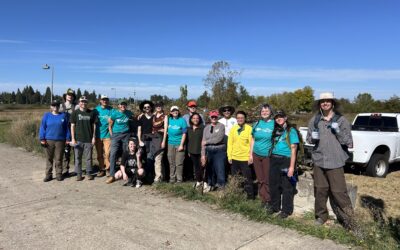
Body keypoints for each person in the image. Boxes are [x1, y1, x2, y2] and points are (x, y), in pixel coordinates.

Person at [306, 92, 354, 228]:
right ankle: (321, 217)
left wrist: (337, 130)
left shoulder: (341, 120)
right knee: (320, 190)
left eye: (328, 101)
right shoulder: (315, 120)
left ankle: (350, 221)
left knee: (339, 192)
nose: (325, 103)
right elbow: (309, 139)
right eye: (322, 101)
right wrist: (312, 138)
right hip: (319, 160)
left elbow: (348, 142)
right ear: (319, 104)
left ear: (332, 103)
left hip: (335, 161)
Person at [269, 110, 299, 219]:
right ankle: (274, 206)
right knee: (274, 184)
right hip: (274, 159)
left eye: (280, 116)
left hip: (286, 160)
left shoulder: (291, 131)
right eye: (276, 117)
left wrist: (291, 167)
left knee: (287, 186)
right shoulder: (276, 130)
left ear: (285, 118)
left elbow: (294, 150)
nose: (278, 118)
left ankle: (286, 210)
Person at [250, 104, 275, 210]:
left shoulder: (274, 124)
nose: (264, 112)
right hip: (256, 154)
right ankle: (263, 199)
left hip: (267, 156)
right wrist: (250, 154)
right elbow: (253, 139)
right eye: (262, 111)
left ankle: (269, 200)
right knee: (260, 179)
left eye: (267, 111)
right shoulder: (256, 124)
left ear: (271, 112)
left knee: (267, 179)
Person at [39, 100, 71, 182]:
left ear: (59, 107)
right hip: (49, 140)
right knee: (49, 158)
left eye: (57, 105)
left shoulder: (63, 116)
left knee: (59, 158)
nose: (55, 107)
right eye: (53, 105)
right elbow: (43, 127)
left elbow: (66, 129)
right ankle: (48, 175)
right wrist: (42, 138)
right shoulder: (47, 115)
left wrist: (68, 138)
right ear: (51, 107)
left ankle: (59, 174)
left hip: (60, 140)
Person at [227, 111, 254, 199]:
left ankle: (250, 196)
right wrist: (229, 156)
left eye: (241, 118)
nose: (240, 119)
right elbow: (230, 143)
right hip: (234, 157)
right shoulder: (233, 129)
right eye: (238, 118)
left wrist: (251, 156)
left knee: (247, 178)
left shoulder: (249, 129)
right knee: (235, 178)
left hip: (245, 158)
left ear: (245, 118)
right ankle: (236, 193)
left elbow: (251, 144)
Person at [106, 101, 134, 184]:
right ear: (118, 106)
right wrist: (112, 135)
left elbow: (134, 118)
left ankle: (125, 172)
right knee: (113, 153)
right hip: (116, 134)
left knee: (126, 152)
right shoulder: (115, 114)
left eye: (124, 105)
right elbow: (110, 124)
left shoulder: (129, 113)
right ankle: (112, 174)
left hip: (126, 135)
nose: (123, 106)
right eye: (121, 105)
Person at [70, 96, 97, 181]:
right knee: (78, 157)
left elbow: (94, 125)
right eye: (82, 101)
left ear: (87, 103)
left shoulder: (91, 113)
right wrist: (73, 138)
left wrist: (93, 137)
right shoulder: (75, 113)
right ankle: (79, 173)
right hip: (78, 139)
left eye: (85, 102)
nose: (83, 103)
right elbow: (72, 126)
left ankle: (89, 173)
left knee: (88, 158)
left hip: (88, 139)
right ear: (79, 103)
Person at [201, 110, 226, 191]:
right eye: (212, 117)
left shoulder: (221, 126)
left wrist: (207, 141)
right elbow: (203, 142)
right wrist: (203, 155)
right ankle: (210, 184)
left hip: (219, 150)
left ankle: (221, 186)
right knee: (209, 169)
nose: (214, 118)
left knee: (220, 169)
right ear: (210, 117)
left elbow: (219, 139)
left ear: (217, 117)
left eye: (215, 116)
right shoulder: (206, 128)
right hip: (209, 151)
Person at [59, 88, 78, 177]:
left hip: (74, 132)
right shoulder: (60, 106)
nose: (70, 96)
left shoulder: (76, 106)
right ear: (65, 96)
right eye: (68, 95)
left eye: (72, 95)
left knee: (76, 151)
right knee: (65, 151)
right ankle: (65, 169)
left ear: (73, 97)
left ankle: (77, 169)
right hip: (63, 133)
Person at [166, 105, 187, 183]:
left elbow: (184, 133)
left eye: (176, 110)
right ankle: (172, 178)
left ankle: (179, 179)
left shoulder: (182, 120)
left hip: (179, 143)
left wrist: (181, 145)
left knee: (179, 163)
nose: (175, 112)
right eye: (173, 110)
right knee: (171, 162)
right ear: (171, 112)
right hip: (170, 143)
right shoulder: (168, 120)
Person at [93, 95, 113, 177]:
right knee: (99, 154)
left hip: (107, 135)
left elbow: (120, 113)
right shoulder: (96, 110)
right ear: (100, 100)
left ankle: (108, 169)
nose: (105, 101)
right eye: (103, 99)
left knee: (108, 153)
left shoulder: (111, 110)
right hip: (98, 135)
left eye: (106, 99)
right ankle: (101, 169)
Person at [137, 100, 155, 182]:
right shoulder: (141, 117)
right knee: (142, 157)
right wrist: (139, 140)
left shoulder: (154, 116)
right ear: (143, 109)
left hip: (152, 139)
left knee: (150, 157)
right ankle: (141, 175)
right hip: (143, 139)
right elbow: (139, 130)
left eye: (148, 107)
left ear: (151, 107)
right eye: (145, 107)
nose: (147, 108)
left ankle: (149, 175)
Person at [187, 113, 205, 188]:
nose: (195, 119)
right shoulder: (189, 129)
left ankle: (205, 181)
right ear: (191, 119)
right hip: (192, 151)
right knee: (196, 167)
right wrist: (188, 150)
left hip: (200, 151)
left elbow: (204, 140)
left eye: (197, 118)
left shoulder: (203, 128)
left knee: (202, 167)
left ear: (199, 119)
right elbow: (188, 140)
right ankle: (199, 181)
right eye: (194, 118)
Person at [151, 102, 167, 183]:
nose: (158, 107)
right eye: (157, 106)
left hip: (160, 138)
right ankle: (162, 176)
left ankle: (157, 178)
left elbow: (165, 130)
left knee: (158, 158)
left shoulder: (165, 117)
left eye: (160, 106)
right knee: (158, 159)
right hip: (154, 138)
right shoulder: (153, 116)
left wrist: (164, 141)